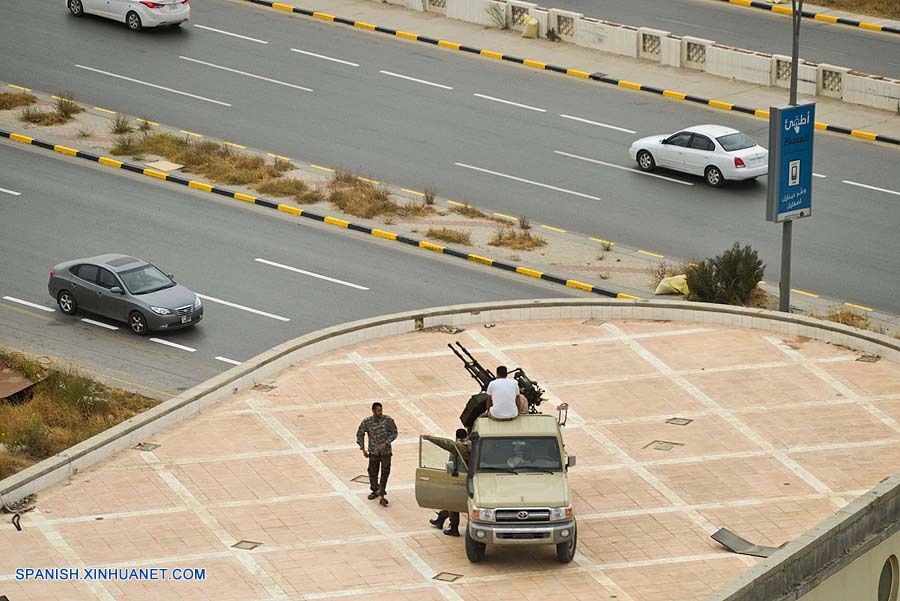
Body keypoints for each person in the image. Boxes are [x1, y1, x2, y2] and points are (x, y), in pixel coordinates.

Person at [423, 429, 471, 537]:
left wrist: (431, 438)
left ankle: (453, 528)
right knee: (450, 501)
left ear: (457, 437)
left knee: (453, 503)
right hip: (468, 477)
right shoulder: (472, 444)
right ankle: (440, 519)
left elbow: (445, 444)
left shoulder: (458, 447)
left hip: (458, 478)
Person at [356, 402, 398, 507]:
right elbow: (360, 433)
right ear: (373, 411)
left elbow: (394, 433)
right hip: (373, 452)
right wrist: (362, 448)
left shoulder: (388, 420)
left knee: (385, 471)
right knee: (372, 471)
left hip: (385, 452)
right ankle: (375, 489)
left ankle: (382, 490)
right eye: (378, 411)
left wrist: (386, 443)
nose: (380, 412)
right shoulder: (367, 422)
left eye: (381, 410)